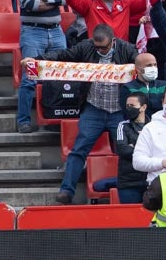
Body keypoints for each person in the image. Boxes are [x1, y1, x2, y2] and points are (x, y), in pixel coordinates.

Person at [25, 23, 139, 204]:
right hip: (94, 108)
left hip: (119, 110)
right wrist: (37, 60)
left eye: (105, 47)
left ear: (114, 42)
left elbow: (141, 63)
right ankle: (66, 190)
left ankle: (130, 189)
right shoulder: (86, 46)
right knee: (78, 150)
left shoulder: (127, 49)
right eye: (97, 47)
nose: (100, 50)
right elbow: (62, 56)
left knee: (126, 151)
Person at [14, 0, 67, 133]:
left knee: (58, 76)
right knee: (30, 78)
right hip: (32, 32)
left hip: (56, 31)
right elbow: (30, 4)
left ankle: (55, 116)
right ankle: (24, 121)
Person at [115, 92, 150, 204]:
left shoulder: (153, 126)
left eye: (132, 106)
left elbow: (160, 150)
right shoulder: (123, 125)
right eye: (127, 106)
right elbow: (122, 150)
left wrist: (134, 146)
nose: (129, 109)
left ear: (143, 107)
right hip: (128, 183)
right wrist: (146, 148)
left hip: (151, 181)